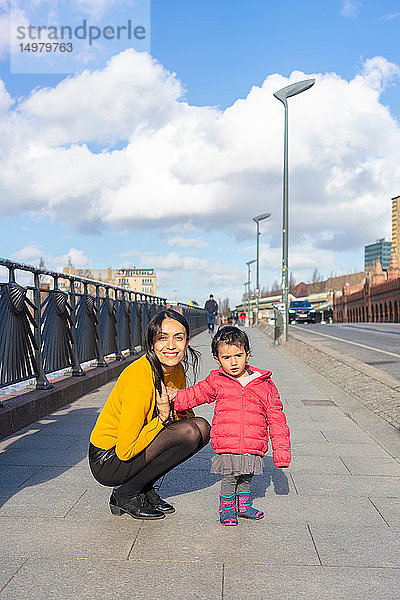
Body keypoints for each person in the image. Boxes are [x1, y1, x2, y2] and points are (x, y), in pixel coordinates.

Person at [88, 308, 211, 520]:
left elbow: (183, 416)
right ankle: (126, 494)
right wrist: (162, 419)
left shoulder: (177, 369)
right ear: (151, 343)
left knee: (202, 428)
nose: (171, 345)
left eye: (178, 338)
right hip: (108, 458)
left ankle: (143, 488)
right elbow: (126, 450)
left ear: (187, 341)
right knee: (189, 432)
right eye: (162, 338)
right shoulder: (140, 376)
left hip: (133, 447)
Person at [168, 325, 291, 526]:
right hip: (227, 441)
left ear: (248, 354)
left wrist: (282, 452)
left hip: (254, 441)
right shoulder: (217, 380)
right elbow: (196, 393)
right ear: (217, 360)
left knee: (246, 475)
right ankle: (226, 508)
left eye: (238, 355)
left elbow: (277, 419)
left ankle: (243, 506)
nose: (233, 362)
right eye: (226, 358)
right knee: (230, 477)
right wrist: (174, 399)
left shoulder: (263, 384)